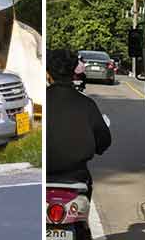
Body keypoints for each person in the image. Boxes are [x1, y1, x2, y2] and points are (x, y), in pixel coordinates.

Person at [46, 49, 112, 194]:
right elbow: (104, 141)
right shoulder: (87, 104)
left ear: (48, 73)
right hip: (76, 178)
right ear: (74, 72)